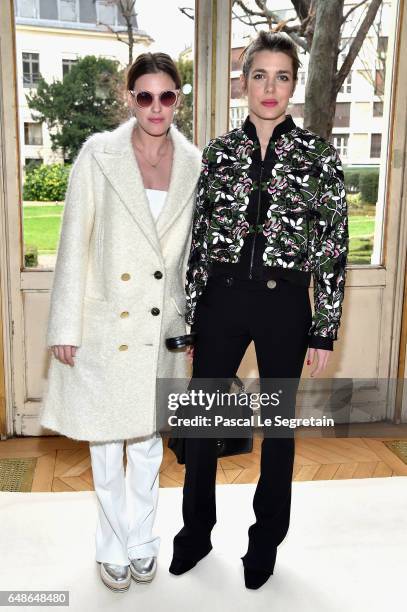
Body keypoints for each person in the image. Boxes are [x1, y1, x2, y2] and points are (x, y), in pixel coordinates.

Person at [169, 31, 349, 590]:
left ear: (293, 85)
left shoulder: (318, 156)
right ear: (243, 82)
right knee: (202, 425)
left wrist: (323, 329)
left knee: (280, 429)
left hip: (285, 306)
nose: (270, 88)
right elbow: (198, 243)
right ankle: (195, 534)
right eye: (260, 76)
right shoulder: (219, 153)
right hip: (221, 300)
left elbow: (334, 247)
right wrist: (193, 317)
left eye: (283, 76)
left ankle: (264, 543)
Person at [40, 52, 202, 592]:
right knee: (107, 443)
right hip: (106, 320)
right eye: (144, 96)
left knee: (150, 443)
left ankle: (142, 539)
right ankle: (110, 543)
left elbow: (191, 258)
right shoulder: (98, 154)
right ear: (129, 99)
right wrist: (65, 325)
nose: (156, 107)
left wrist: (194, 325)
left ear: (179, 99)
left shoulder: (194, 163)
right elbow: (73, 244)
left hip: (161, 326)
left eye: (167, 96)